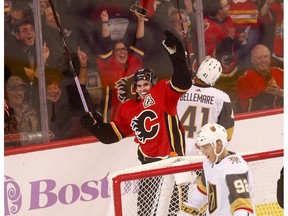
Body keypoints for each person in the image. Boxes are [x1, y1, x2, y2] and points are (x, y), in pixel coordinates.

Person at [81, 30, 191, 164]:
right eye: (139, 85)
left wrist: (177, 60)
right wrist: (95, 127)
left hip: (172, 159)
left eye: (146, 84)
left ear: (153, 84)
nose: (142, 88)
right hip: (147, 164)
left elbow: (183, 82)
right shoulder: (128, 108)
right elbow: (111, 136)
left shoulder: (162, 92)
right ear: (134, 88)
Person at [177, 123, 255, 216]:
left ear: (218, 145)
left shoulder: (234, 168)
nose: (203, 152)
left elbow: (242, 207)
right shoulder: (208, 163)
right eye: (202, 147)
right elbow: (202, 192)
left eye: (206, 147)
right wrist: (187, 211)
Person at [177, 57, 234, 156]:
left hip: (178, 151)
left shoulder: (178, 91)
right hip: (204, 153)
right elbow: (227, 133)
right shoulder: (222, 98)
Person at [97, 9, 146, 122]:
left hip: (134, 114)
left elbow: (139, 40)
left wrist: (141, 21)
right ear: (113, 53)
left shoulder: (134, 62)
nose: (122, 52)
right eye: (118, 50)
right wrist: (105, 22)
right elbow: (105, 42)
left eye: (123, 49)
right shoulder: (107, 65)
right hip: (112, 116)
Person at [202, 0, 248, 112]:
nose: (229, 6)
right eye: (226, 5)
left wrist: (238, 40)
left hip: (232, 71)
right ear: (219, 11)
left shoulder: (228, 20)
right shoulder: (206, 24)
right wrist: (228, 39)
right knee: (217, 108)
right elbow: (210, 50)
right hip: (216, 77)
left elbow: (233, 46)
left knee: (233, 106)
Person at [237, 44, 283, 112]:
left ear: (270, 58)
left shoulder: (281, 73)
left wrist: (281, 93)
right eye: (259, 58)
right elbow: (246, 107)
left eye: (266, 57)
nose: (263, 60)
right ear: (252, 60)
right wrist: (265, 93)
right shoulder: (244, 80)